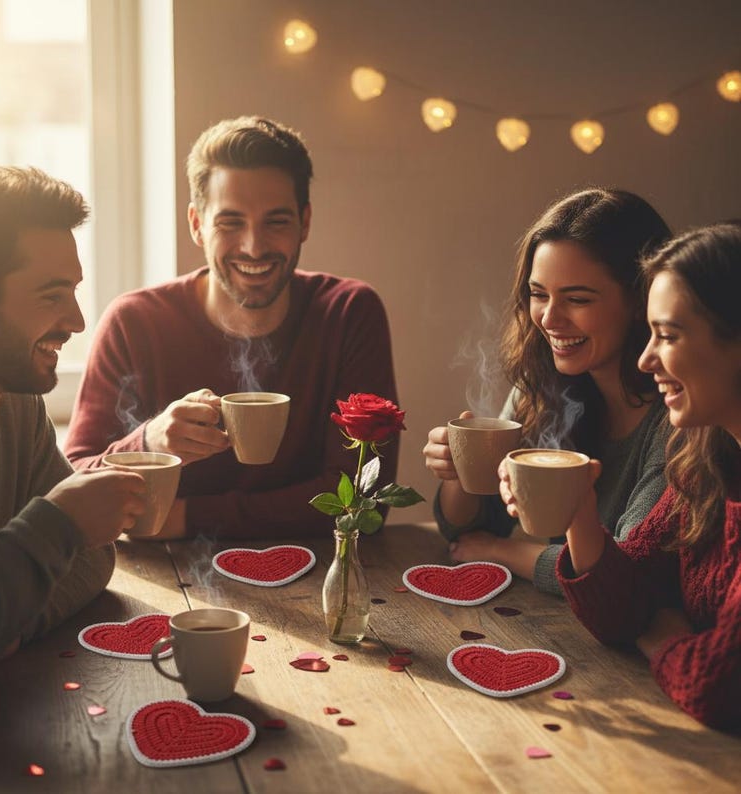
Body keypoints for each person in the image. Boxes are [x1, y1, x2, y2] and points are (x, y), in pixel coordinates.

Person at [64, 116, 398, 539]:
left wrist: (184, 518)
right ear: (197, 224)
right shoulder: (135, 322)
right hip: (168, 578)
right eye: (230, 222)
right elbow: (74, 483)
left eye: (276, 221)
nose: (254, 246)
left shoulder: (349, 313)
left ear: (305, 222)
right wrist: (149, 442)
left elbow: (365, 498)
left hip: (319, 572)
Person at [0, 164, 146, 775]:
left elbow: (93, 556)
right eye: (50, 295)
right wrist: (55, 526)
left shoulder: (18, 402)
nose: (78, 321)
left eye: (75, 292)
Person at [517, 223, 741, 730]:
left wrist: (662, 635)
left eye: (668, 335)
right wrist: (580, 512)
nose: (645, 359)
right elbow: (622, 603)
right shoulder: (707, 461)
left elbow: (716, 686)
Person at [423, 188, 672, 595]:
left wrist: (503, 551)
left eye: (577, 299)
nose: (550, 319)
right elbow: (462, 531)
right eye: (539, 295)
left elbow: (618, 575)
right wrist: (458, 471)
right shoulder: (542, 388)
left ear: (641, 299)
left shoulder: (675, 420)